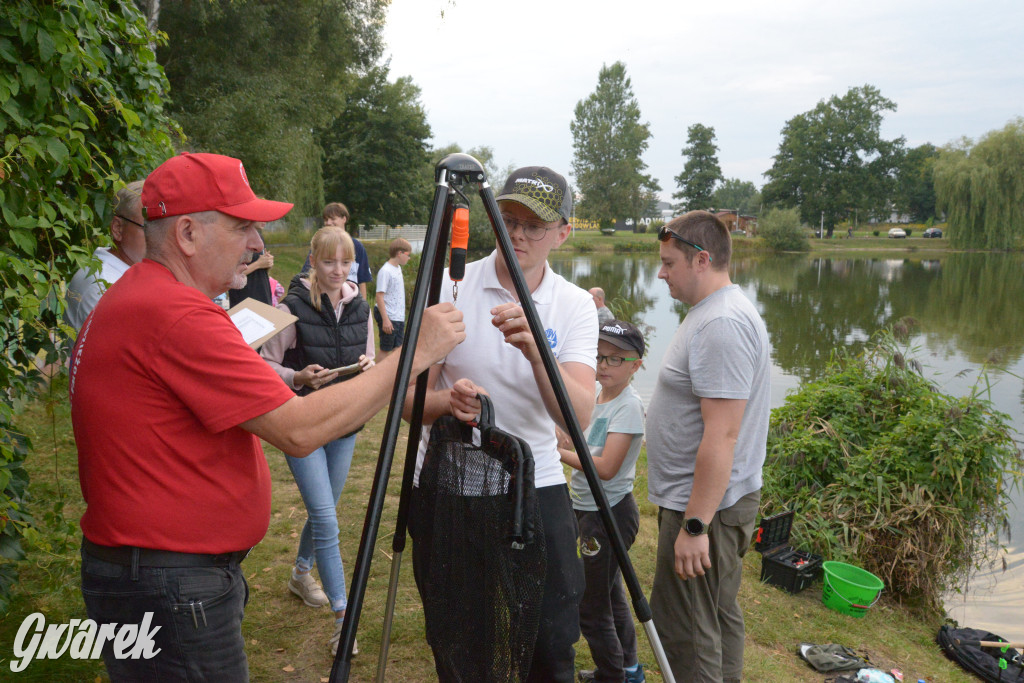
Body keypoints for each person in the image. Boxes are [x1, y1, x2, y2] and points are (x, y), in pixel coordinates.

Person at [69, 152, 465, 681]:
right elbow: (298, 429)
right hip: (170, 582)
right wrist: (414, 354)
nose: (257, 244)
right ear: (187, 233)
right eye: (242, 227)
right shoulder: (175, 315)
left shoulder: (143, 298)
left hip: (154, 572)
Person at [406, 166, 598, 682]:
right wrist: (447, 402)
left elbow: (579, 417)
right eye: (508, 219)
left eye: (534, 225)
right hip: (452, 481)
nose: (518, 234)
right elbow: (406, 400)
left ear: (562, 233)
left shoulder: (575, 305)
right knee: (460, 636)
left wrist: (538, 353)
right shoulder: (451, 285)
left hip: (538, 483)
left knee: (551, 640)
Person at [646, 211, 770, 683]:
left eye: (668, 263)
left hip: (702, 507)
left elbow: (723, 435)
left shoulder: (721, 324)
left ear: (701, 260)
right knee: (717, 612)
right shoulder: (717, 312)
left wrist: (695, 525)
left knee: (687, 630)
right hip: (714, 501)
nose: (661, 274)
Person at [260, 225, 374, 655]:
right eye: (329, 262)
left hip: (344, 425)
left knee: (324, 510)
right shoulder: (290, 307)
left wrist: (367, 365)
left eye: (346, 263)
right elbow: (262, 364)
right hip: (303, 425)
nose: (338, 271)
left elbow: (371, 356)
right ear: (313, 261)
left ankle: (300, 573)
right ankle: (344, 621)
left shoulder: (359, 306)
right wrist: (297, 377)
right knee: (326, 519)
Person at [557, 320, 647, 683]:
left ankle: (612, 676)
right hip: (587, 508)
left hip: (609, 514)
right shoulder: (597, 395)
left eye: (615, 359)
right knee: (609, 595)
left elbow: (606, 468)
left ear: (636, 365)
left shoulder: (629, 406)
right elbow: (585, 440)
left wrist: (557, 452)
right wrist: (564, 436)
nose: (604, 365)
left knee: (591, 606)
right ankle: (629, 669)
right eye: (598, 356)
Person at [64, 180, 146, 331]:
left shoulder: (125, 272)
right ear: (118, 228)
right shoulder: (103, 284)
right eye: (147, 227)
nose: (158, 237)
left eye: (161, 227)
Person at [302, 202, 372, 299]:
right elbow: (307, 275)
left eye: (333, 219)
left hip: (351, 302)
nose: (328, 222)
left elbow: (362, 280)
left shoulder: (358, 247)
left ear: (344, 219)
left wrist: (363, 304)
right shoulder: (320, 245)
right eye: (326, 219)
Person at [374, 237, 412, 360]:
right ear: (399, 253)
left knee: (398, 349)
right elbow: (379, 296)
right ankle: (378, 372)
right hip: (389, 316)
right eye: (408, 255)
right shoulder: (386, 271)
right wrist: (385, 320)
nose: (409, 258)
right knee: (385, 349)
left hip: (398, 317)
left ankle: (394, 372)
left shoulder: (398, 268)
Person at [228, 225, 274, 308]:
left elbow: (262, 268)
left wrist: (268, 263)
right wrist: (258, 264)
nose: (264, 221)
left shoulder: (259, 239)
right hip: (244, 297)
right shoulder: (238, 237)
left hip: (263, 293)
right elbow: (231, 274)